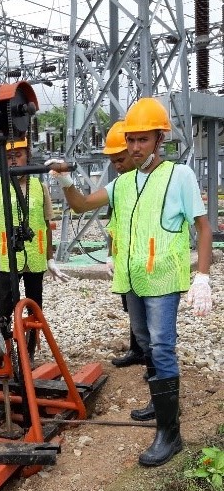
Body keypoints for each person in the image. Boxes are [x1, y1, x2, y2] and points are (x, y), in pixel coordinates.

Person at [47, 97, 212, 467]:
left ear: (158, 139)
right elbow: (81, 205)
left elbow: (203, 227)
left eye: (143, 139)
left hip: (164, 278)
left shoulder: (178, 176)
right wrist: (66, 180)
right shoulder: (123, 182)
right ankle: (159, 402)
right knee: (147, 344)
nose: (136, 147)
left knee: (163, 346)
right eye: (131, 140)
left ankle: (170, 434)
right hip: (133, 279)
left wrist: (202, 276)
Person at [0, 139, 69, 365]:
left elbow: (46, 223)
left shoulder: (40, 187)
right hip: (8, 257)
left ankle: (29, 351)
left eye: (18, 154)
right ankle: (3, 352)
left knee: (34, 305)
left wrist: (50, 257)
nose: (14, 159)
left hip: (34, 257)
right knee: (3, 306)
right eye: (9, 156)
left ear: (28, 156)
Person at [102, 121, 146, 370]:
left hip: (145, 258)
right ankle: (137, 349)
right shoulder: (118, 187)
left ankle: (153, 358)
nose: (117, 166)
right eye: (114, 161)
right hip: (124, 258)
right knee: (132, 306)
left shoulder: (145, 183)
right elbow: (113, 222)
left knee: (148, 308)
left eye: (120, 160)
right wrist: (110, 255)